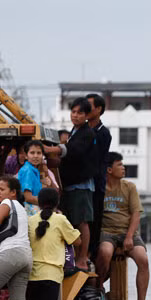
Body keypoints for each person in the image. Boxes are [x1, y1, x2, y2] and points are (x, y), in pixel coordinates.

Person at [97, 152, 151, 300]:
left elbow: (136, 214)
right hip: (107, 232)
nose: (123, 168)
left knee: (143, 259)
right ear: (109, 170)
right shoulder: (100, 188)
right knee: (105, 253)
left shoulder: (129, 187)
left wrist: (129, 237)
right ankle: (97, 290)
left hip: (128, 232)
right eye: (120, 165)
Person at [44, 97, 98, 272]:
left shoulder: (87, 133)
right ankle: (74, 257)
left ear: (86, 115)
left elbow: (73, 151)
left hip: (81, 185)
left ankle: (82, 259)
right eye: (73, 112)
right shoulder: (75, 131)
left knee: (82, 222)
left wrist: (51, 150)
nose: (75, 116)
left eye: (80, 113)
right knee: (72, 222)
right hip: (71, 184)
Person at [27, 188, 81, 300]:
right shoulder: (60, 220)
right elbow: (77, 241)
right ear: (57, 203)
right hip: (51, 276)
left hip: (31, 275)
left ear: (39, 202)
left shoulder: (31, 220)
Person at [86, 93, 113, 259]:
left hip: (95, 184)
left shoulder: (103, 133)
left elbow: (94, 158)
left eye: (88, 106)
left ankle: (90, 256)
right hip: (81, 183)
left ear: (98, 109)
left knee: (94, 221)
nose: (84, 110)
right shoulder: (80, 129)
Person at [17, 140, 55, 216]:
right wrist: (47, 205)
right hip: (30, 211)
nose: (35, 156)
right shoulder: (28, 170)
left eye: (39, 153)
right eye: (32, 153)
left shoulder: (35, 170)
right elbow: (28, 197)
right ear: (26, 156)